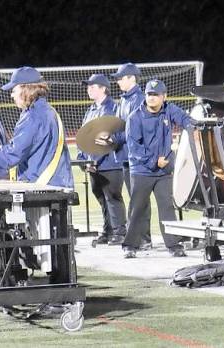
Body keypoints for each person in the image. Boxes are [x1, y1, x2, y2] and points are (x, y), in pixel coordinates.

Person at [0, 66, 73, 188]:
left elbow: (13, 155)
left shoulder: (33, 116)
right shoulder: (48, 111)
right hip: (56, 185)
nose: (12, 95)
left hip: (43, 188)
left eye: (14, 90)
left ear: (25, 89)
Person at [121, 79, 193, 258]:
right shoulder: (135, 117)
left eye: (155, 95)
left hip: (163, 172)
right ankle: (130, 245)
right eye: (149, 94)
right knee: (138, 208)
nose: (151, 98)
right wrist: (154, 161)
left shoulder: (170, 110)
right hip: (142, 170)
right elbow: (134, 147)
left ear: (164, 96)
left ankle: (173, 245)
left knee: (167, 207)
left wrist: (196, 127)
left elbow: (185, 119)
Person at [76, 74, 127, 245]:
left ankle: (120, 232)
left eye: (93, 86)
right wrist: (83, 159)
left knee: (112, 197)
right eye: (88, 86)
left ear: (104, 88)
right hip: (93, 164)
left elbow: (117, 134)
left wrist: (98, 158)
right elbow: (85, 136)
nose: (89, 89)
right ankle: (108, 230)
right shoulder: (91, 110)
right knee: (100, 196)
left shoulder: (114, 108)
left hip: (110, 162)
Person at [111, 62, 152, 249]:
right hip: (126, 157)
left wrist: (117, 139)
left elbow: (137, 129)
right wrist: (111, 139)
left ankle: (144, 238)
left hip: (137, 158)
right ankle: (140, 236)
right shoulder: (124, 100)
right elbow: (121, 127)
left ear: (132, 78)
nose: (118, 81)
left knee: (140, 198)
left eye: (121, 78)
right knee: (134, 197)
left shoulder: (140, 99)